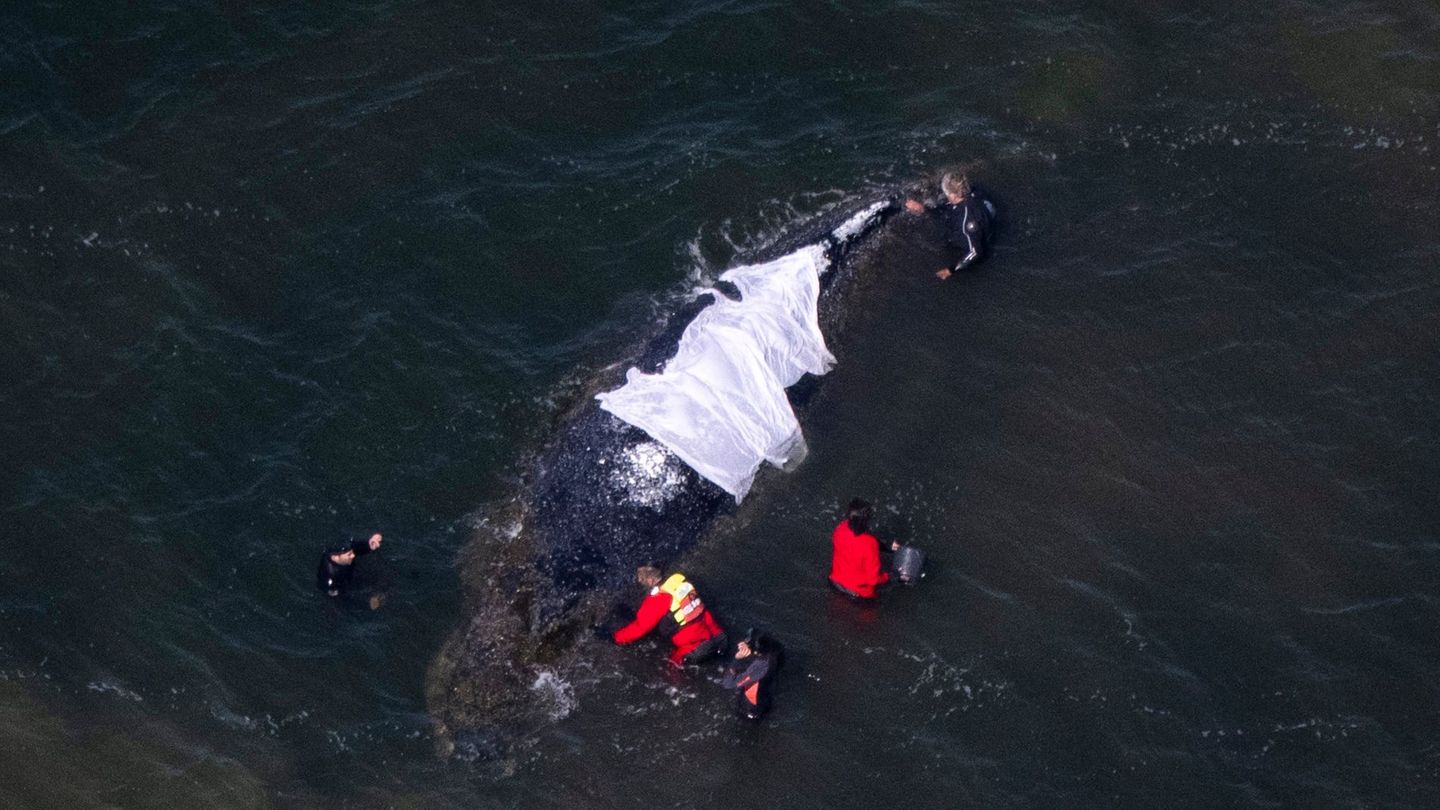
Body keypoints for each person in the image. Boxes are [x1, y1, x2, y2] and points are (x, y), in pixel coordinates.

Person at [612, 565, 727, 666]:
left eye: (641, 578)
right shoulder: (680, 582)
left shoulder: (659, 599)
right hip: (718, 636)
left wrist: (615, 638)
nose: (638, 580)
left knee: (672, 666)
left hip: (697, 646)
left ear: (650, 581)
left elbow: (640, 627)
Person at [904, 171, 996, 279]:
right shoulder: (975, 192)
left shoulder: (966, 222)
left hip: (974, 232)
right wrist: (925, 208)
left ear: (953, 195)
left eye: (946, 193)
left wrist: (951, 269)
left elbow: (975, 252)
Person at [829, 499, 898, 599]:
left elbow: (855, 544)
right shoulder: (870, 544)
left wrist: (884, 547)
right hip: (858, 593)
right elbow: (873, 580)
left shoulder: (840, 528)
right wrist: (889, 576)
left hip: (835, 582)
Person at [722, 628, 782, 721]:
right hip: (765, 694)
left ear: (756, 652)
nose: (740, 644)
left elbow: (728, 684)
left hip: (752, 708)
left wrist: (736, 660)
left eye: (747, 644)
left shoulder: (757, 670)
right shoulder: (775, 650)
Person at [316, 532, 383, 597]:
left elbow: (356, 549)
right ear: (338, 556)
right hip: (341, 588)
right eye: (349, 554)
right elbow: (333, 592)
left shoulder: (346, 553)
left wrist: (369, 544)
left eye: (351, 553)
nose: (353, 556)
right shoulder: (330, 575)